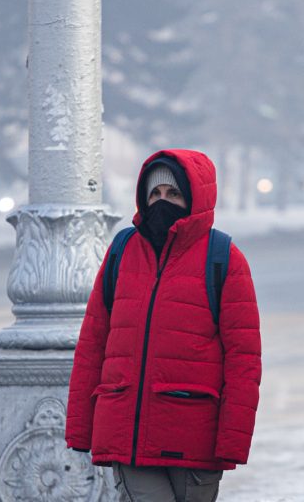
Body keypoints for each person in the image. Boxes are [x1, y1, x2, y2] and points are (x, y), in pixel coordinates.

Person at [66, 149, 261, 502]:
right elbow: (93, 343)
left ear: (195, 199)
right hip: (129, 435)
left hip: (194, 436)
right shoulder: (122, 251)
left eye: (173, 194)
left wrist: (233, 439)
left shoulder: (224, 259)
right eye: (154, 194)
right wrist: (81, 428)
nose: (161, 202)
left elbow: (244, 359)